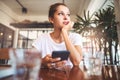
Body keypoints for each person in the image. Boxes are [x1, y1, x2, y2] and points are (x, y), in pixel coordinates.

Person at [32, 3, 83, 68]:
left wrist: (64, 32)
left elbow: (76, 62)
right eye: (60, 14)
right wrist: (42, 62)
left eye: (68, 14)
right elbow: (29, 61)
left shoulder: (75, 37)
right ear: (51, 19)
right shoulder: (42, 38)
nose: (66, 17)